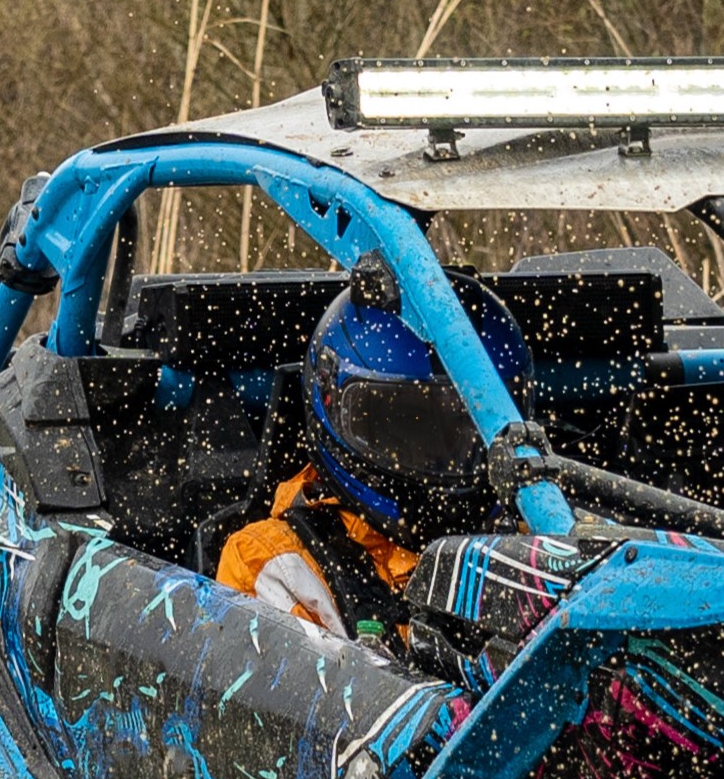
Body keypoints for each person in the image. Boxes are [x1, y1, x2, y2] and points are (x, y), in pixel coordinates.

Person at [217, 255, 529, 640]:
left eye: (461, 427)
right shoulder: (274, 563)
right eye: (406, 425)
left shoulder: (537, 540)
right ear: (331, 401)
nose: (438, 455)